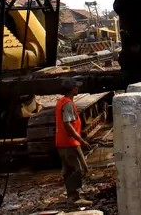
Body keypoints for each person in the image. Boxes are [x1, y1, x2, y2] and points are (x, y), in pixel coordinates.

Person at [55, 77, 90, 206]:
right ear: (73, 89)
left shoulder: (61, 102)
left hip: (61, 143)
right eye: (76, 87)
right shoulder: (68, 103)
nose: (77, 89)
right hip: (70, 143)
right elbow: (67, 124)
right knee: (78, 170)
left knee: (68, 170)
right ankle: (74, 198)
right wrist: (80, 139)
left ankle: (72, 195)